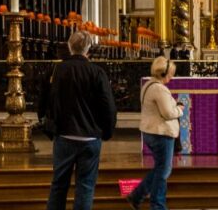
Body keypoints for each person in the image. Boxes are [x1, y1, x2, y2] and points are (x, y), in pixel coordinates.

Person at [40, 31, 117, 210]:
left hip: (64, 135)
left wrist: (48, 125)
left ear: (69, 46)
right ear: (89, 48)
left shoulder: (56, 70)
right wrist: (107, 132)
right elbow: (109, 107)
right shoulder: (97, 72)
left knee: (58, 186)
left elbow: (44, 99)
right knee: (86, 187)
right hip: (90, 137)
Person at [127, 57, 184, 210]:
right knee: (163, 171)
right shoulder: (159, 88)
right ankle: (156, 205)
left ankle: (137, 196)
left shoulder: (148, 85)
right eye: (170, 73)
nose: (171, 77)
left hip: (150, 132)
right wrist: (180, 109)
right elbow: (167, 113)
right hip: (161, 134)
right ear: (163, 72)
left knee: (161, 168)